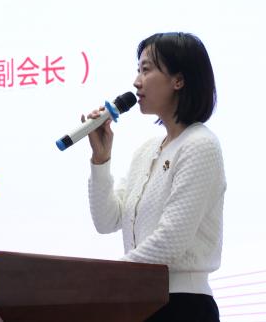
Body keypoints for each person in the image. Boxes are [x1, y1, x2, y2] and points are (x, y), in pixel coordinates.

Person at [84, 32, 225, 322]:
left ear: (178, 80)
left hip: (183, 306)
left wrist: (104, 279)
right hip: (139, 301)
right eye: (138, 70)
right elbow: (106, 220)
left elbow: (171, 240)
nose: (137, 82)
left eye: (146, 70)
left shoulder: (200, 145)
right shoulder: (148, 150)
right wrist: (101, 160)